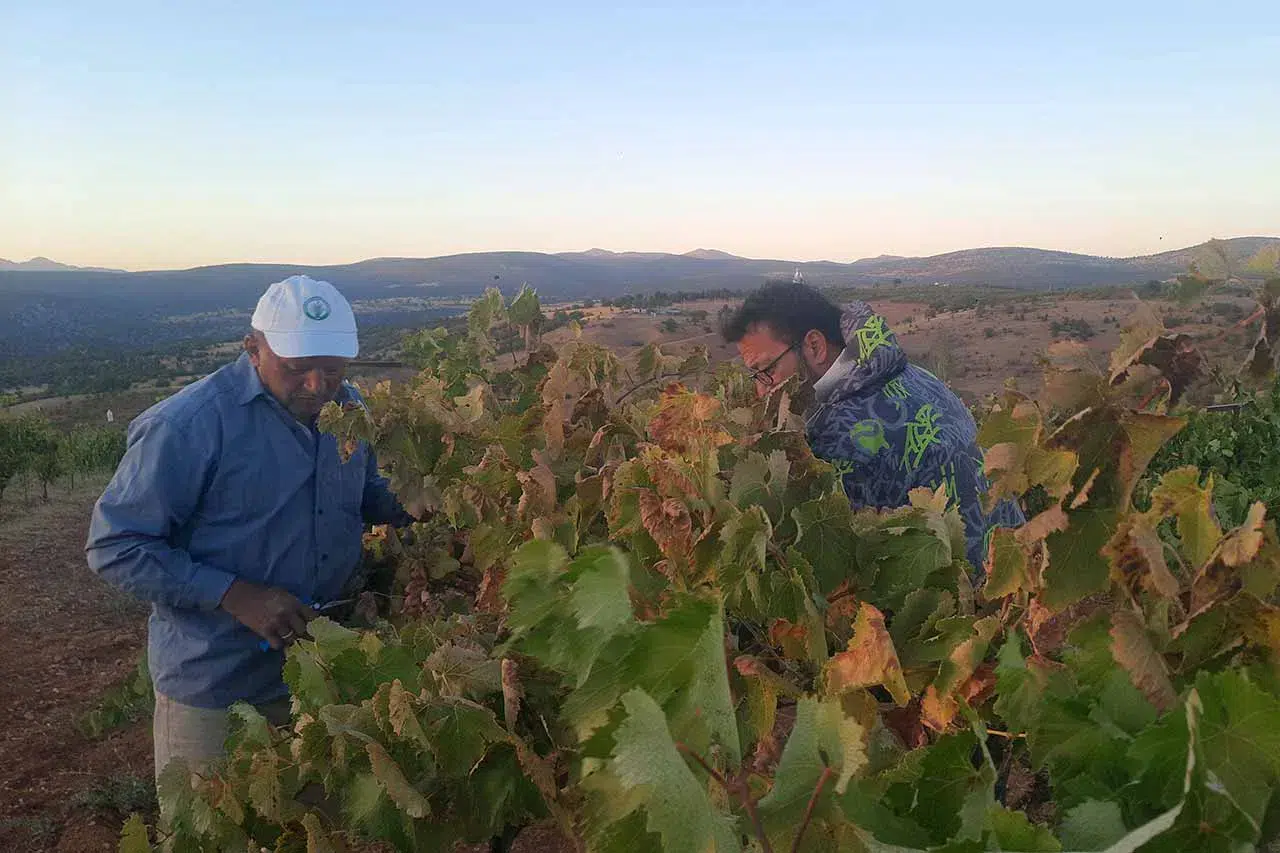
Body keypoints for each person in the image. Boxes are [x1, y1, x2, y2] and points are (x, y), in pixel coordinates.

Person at [85, 275, 414, 785]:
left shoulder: (349, 409)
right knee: (218, 821)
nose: (317, 385)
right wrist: (236, 595)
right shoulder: (186, 426)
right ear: (252, 348)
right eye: (297, 368)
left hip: (327, 674)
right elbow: (115, 546)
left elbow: (364, 496)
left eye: (332, 369)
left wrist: (421, 499)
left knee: (319, 821)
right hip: (218, 689)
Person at [721, 282, 1023, 570]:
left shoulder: (838, 436)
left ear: (814, 346)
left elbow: (838, 562)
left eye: (767, 370)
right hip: (1018, 559)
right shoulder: (910, 374)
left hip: (971, 592)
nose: (761, 391)